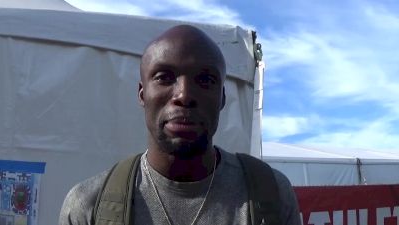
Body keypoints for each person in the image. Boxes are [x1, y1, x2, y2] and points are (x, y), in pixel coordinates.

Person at [59, 24, 301, 225]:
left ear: (222, 98)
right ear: (142, 94)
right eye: (164, 77)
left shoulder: (271, 195)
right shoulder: (89, 205)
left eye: (205, 79)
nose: (184, 95)